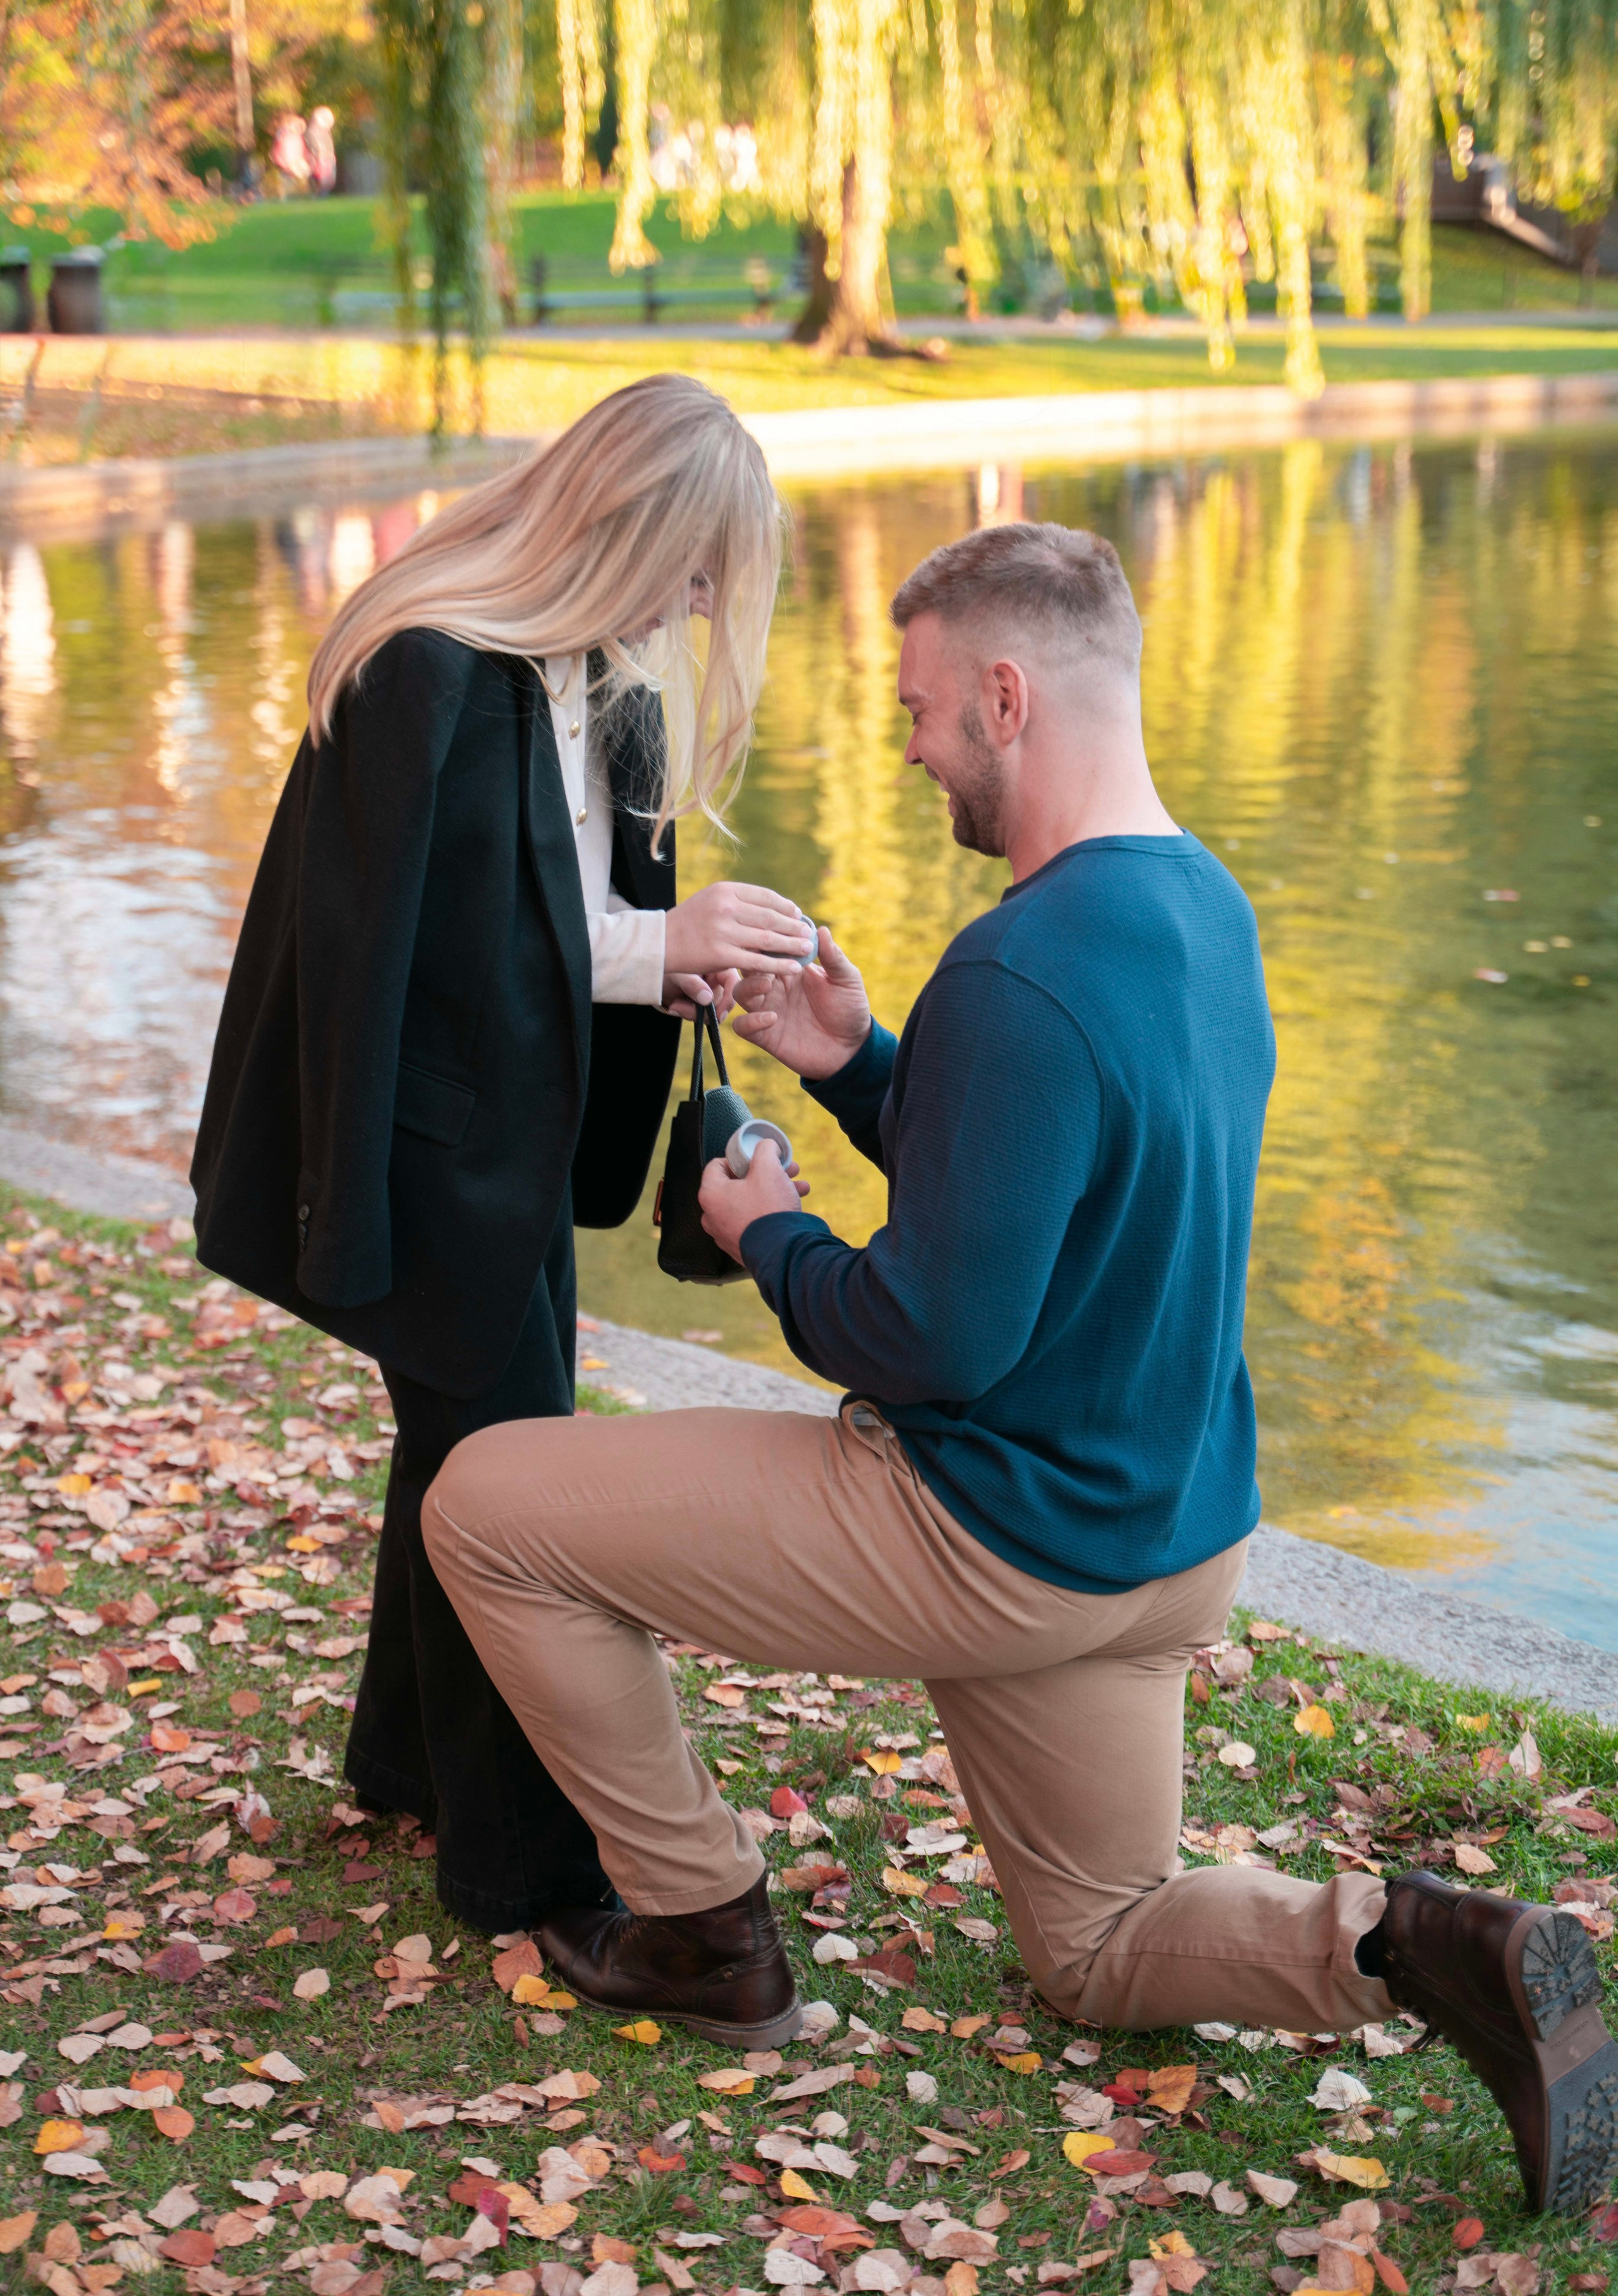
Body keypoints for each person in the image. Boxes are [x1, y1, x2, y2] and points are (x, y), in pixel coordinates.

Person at [422, 518, 1618, 2214]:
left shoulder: (1017, 962)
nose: (907, 744)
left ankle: (700, 1922)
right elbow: (1041, 1179)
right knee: (1098, 1942)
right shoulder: (1200, 907)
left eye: (918, 706)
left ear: (1005, 691)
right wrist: (853, 1059)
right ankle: (1419, 1940)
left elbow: (930, 1333)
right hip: (1163, 1541)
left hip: (987, 1530)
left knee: (487, 1500)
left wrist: (767, 1226)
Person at [192, 375, 815, 1932]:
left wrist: (660, 959)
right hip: (423, 1156)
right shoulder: (429, 666)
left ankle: (402, 1761)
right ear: (632, 527)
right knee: (517, 1489)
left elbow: (548, 915)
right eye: (693, 568)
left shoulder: (595, 678)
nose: (698, 604)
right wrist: (646, 940)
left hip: (517, 1143)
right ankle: (521, 1868)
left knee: (467, 1463)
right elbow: (415, 952)